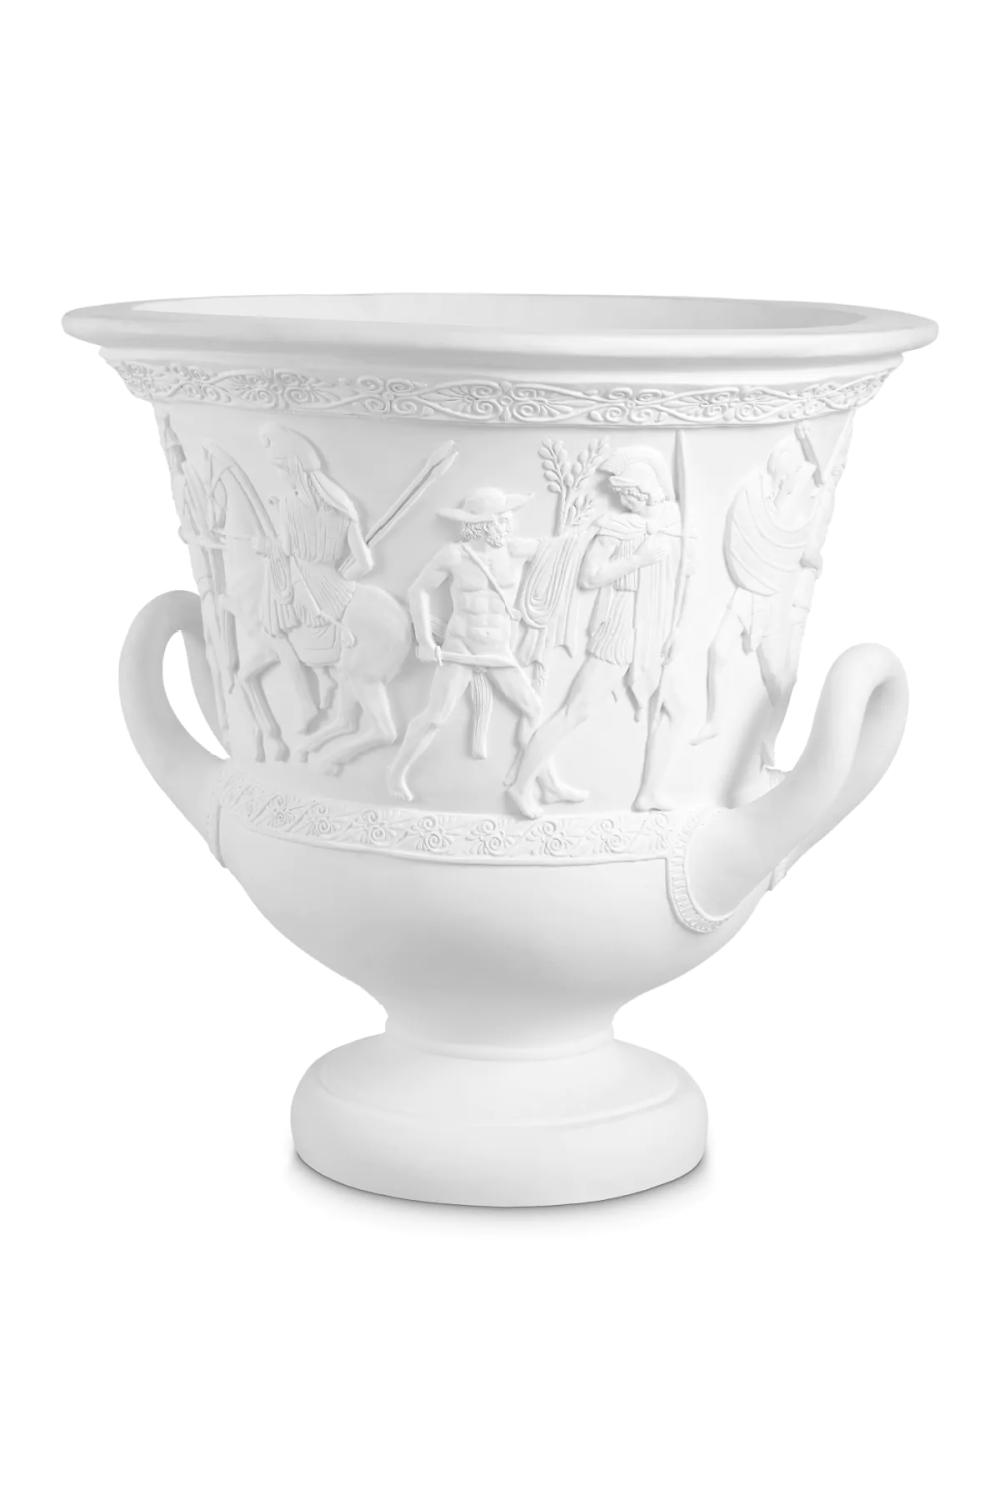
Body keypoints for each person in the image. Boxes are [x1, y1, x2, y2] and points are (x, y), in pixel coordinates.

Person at [509, 446, 687, 817]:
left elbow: (681, 582)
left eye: (629, 494)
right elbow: (589, 578)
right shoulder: (616, 528)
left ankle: (648, 793)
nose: (624, 501)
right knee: (575, 709)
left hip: (655, 631)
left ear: (647, 490)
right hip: (622, 626)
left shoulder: (674, 524)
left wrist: (677, 629)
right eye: (621, 494)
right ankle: (520, 786)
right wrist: (637, 560)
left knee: (674, 709)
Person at [386, 488, 584, 804]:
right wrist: (424, 641)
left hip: (498, 650)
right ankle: (396, 774)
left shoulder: (516, 550)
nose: (510, 525)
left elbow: (562, 551)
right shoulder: (454, 555)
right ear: (484, 524)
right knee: (436, 716)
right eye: (503, 519)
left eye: (509, 519)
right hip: (461, 647)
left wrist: (583, 528)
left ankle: (547, 785)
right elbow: (418, 591)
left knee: (532, 709)